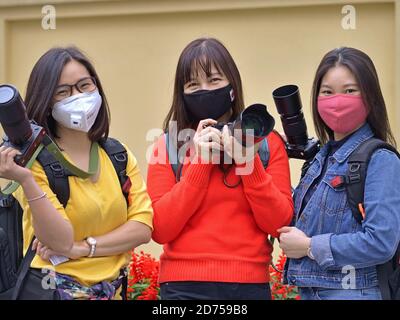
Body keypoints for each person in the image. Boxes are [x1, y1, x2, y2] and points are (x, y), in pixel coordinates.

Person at [0, 46, 153, 300]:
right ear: (47, 102)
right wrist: (25, 179)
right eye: (63, 92)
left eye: (85, 86)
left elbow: (142, 227)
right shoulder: (34, 162)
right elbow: (60, 241)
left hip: (113, 290)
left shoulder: (118, 155)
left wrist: (83, 248)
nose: (78, 97)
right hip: (51, 290)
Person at [147, 37, 294, 300]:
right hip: (182, 287)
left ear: (233, 87)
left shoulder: (267, 143)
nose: (204, 90)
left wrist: (246, 162)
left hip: (249, 285)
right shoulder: (167, 146)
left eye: (214, 80)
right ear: (182, 93)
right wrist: (201, 162)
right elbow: (160, 228)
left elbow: (279, 223)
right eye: (193, 84)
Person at [280, 47, 400, 300]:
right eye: (327, 92)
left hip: (354, 292)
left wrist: (311, 247)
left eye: (349, 90)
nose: (337, 101)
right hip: (313, 292)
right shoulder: (319, 160)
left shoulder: (380, 160)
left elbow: (381, 242)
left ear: (370, 97)